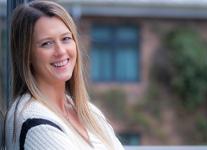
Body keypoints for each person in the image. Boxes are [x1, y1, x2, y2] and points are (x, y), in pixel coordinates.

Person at [4, 0, 124, 149]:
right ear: (26, 54)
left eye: (66, 39)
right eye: (47, 43)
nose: (60, 51)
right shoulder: (33, 121)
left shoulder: (89, 112)